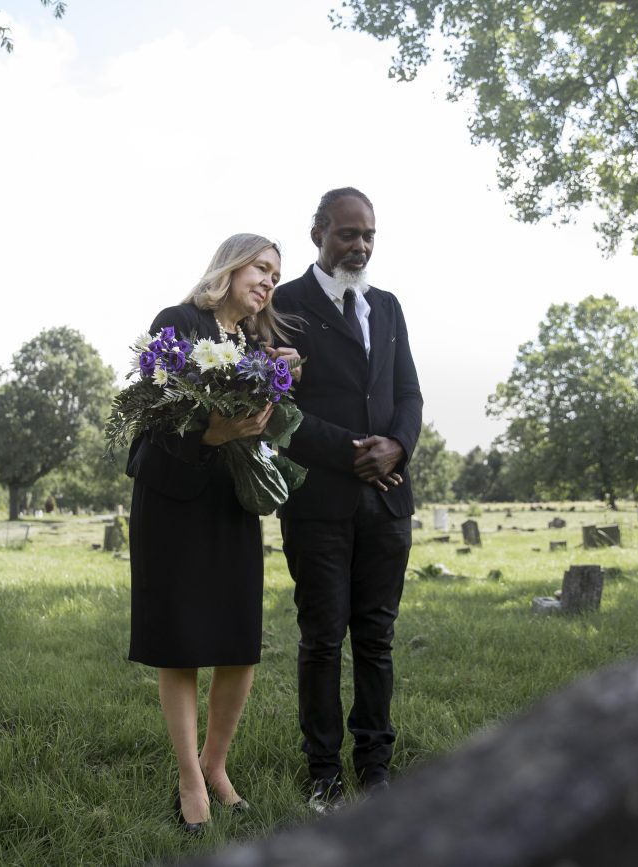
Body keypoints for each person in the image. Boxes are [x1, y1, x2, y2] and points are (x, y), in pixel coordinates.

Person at [126, 233, 300, 835]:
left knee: (237, 641)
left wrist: (274, 397)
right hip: (175, 500)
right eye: (262, 267)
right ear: (230, 266)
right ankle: (188, 778)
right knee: (181, 645)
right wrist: (213, 436)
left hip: (229, 504)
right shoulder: (177, 322)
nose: (270, 282)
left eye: (276, 276)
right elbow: (153, 424)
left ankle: (216, 763)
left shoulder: (255, 346)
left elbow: (260, 432)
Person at [269, 188, 423, 812]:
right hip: (319, 503)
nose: (358, 246)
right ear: (318, 234)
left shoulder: (386, 307)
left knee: (378, 640)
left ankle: (376, 765)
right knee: (322, 639)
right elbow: (278, 409)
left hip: (389, 502)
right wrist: (355, 451)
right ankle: (325, 772)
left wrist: (398, 449)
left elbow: (410, 393)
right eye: (346, 234)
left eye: (368, 236)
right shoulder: (284, 305)